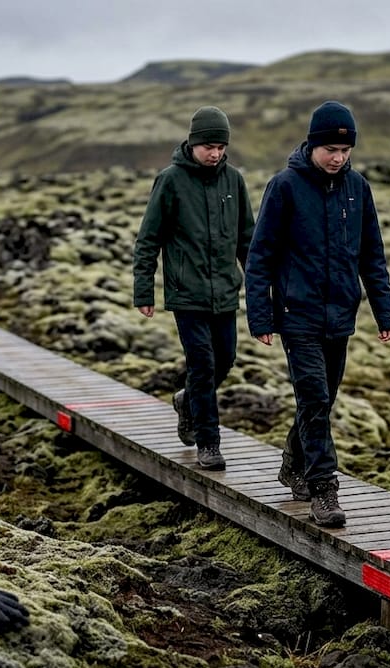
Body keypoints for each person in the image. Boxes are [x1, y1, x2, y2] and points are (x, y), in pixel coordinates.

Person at [244, 100, 390, 527]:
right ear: (313, 144)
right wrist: (261, 317)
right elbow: (261, 258)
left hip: (340, 315)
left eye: (345, 151)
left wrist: (385, 313)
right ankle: (323, 490)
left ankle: (293, 462)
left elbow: (372, 256)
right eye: (330, 149)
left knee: (322, 401)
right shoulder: (285, 186)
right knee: (313, 397)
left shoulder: (358, 188)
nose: (338, 157)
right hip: (298, 314)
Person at [133, 106, 256, 471]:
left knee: (226, 359)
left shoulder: (234, 180)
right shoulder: (169, 180)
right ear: (193, 142)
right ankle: (208, 442)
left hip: (225, 293)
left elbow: (247, 240)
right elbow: (148, 239)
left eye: (220, 146)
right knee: (202, 364)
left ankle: (188, 401)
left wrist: (262, 287)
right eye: (208, 146)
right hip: (187, 293)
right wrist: (144, 291)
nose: (215, 153)